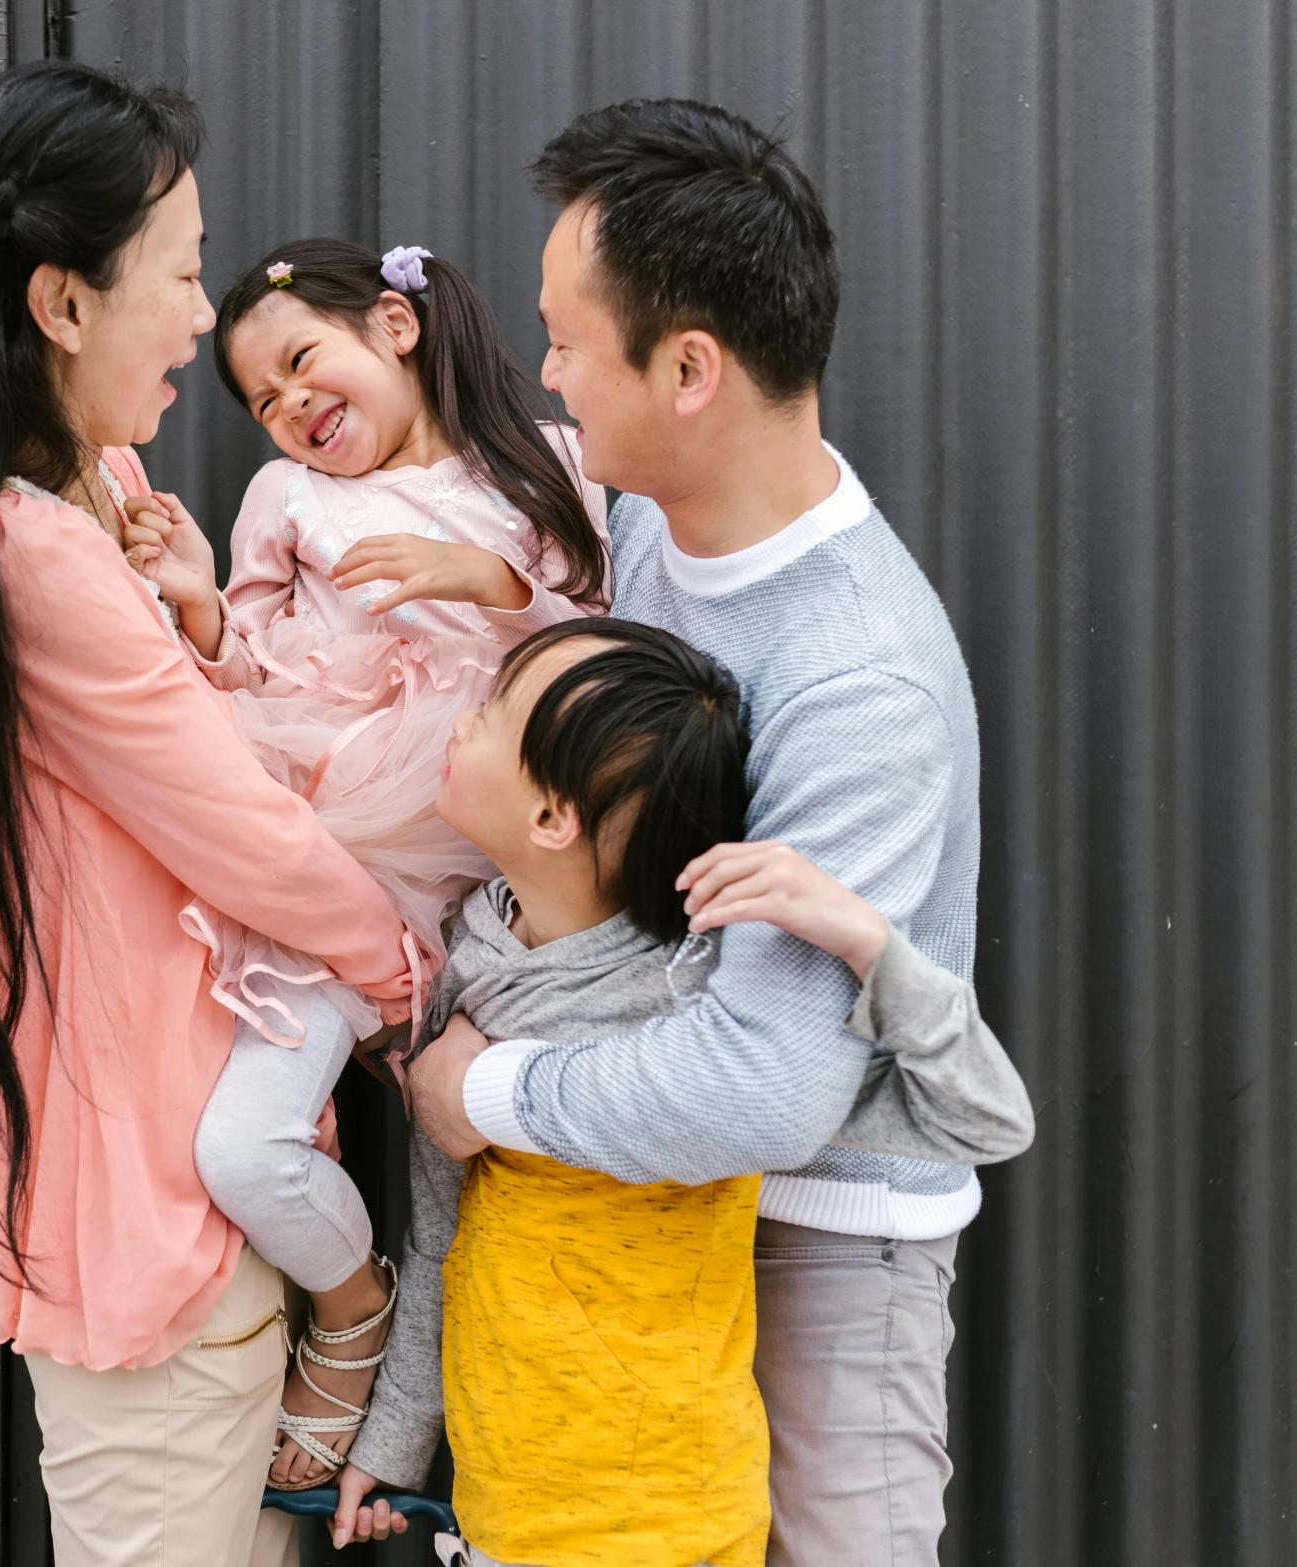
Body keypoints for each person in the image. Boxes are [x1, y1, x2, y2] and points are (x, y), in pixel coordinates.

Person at [0, 64, 418, 1567]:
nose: (201, 317)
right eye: (181, 269)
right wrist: (418, 979)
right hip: (154, 1209)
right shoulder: (33, 551)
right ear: (60, 304)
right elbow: (242, 831)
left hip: (173, 1176)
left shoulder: (86, 486)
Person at [403, 101, 999, 1565]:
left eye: (562, 341)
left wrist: (481, 1094)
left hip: (816, 1230)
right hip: (647, 1218)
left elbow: (767, 1085)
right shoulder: (661, 517)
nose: (539, 376)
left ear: (687, 370)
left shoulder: (856, 679)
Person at [325, 620, 1031, 1567]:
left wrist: (864, 940)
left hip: (671, 1524)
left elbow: (983, 1116)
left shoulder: (703, 1011)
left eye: (491, 711)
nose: (461, 720)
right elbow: (440, 1230)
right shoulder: (474, 957)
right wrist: (397, 1439)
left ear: (551, 819)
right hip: (505, 1512)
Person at [117, 237, 610, 1489]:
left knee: (488, 1194)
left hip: (508, 922)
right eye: (262, 403)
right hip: (335, 898)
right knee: (243, 1150)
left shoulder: (547, 467)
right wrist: (201, 605)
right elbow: (251, 680)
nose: (288, 409)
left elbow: (611, 661)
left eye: (300, 364)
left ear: (394, 325)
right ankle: (349, 1305)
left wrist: (480, 574)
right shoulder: (288, 504)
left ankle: (438, 1452)